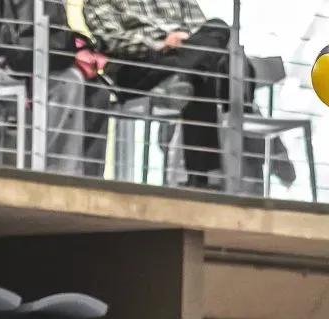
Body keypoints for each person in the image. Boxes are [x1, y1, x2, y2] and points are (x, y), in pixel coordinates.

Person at [83, 0, 237, 188]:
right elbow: (112, 40)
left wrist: (185, 42)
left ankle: (184, 72)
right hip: (138, 62)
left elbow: (198, 27)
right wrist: (161, 43)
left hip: (182, 53)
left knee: (217, 27)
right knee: (202, 70)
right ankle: (204, 177)